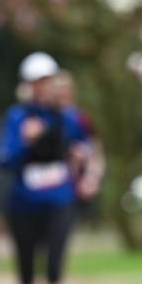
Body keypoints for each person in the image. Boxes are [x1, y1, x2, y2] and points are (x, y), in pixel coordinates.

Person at [0, 53, 92, 284]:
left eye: (47, 80)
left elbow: (85, 149)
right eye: (37, 82)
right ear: (28, 85)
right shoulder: (16, 117)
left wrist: (81, 161)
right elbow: (4, 159)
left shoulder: (68, 116)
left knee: (54, 267)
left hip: (59, 201)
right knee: (26, 266)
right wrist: (26, 140)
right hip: (23, 204)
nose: (43, 87)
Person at [53, 70, 105, 227]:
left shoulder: (80, 118)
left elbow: (95, 149)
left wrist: (92, 177)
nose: (62, 92)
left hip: (73, 182)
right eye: (58, 88)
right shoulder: (44, 117)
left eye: (65, 88)